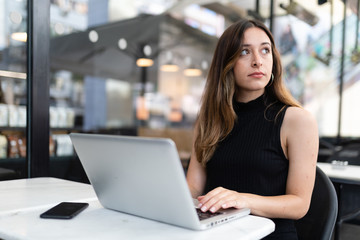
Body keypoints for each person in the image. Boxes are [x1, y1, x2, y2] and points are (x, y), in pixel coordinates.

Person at [186, 19, 318, 239]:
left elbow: (299, 204)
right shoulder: (207, 120)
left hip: (269, 235)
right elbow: (193, 189)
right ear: (227, 63)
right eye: (245, 52)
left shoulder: (297, 120)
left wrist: (242, 199)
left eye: (265, 50)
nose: (258, 61)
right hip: (216, 233)